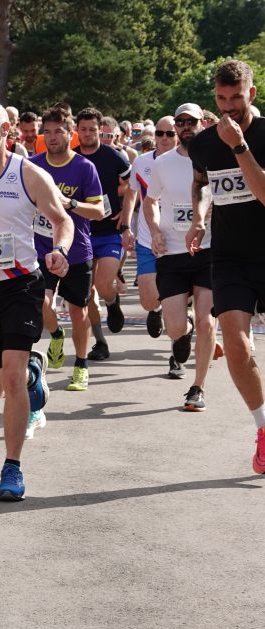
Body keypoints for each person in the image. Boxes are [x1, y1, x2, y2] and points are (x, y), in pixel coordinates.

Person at [0, 100, 73, 495]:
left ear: (7, 131)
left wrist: (61, 251)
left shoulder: (28, 174)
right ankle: (34, 372)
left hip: (21, 284)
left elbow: (62, 219)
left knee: (12, 373)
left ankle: (12, 468)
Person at [185, 60, 265, 471]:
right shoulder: (202, 143)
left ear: (251, 94)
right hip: (230, 256)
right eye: (221, 98)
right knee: (235, 343)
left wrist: (239, 147)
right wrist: (199, 218)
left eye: (236, 98)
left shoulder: (263, 134)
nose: (229, 106)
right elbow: (202, 184)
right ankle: (264, 429)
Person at [142, 103, 217, 407]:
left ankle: (198, 387)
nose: (186, 126)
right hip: (172, 251)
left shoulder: (216, 157)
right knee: (174, 327)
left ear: (203, 123)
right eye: (180, 122)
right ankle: (181, 333)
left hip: (209, 249)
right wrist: (156, 230)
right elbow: (150, 201)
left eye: (191, 121)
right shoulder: (163, 163)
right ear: (175, 127)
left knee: (207, 321)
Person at [30, 105, 106, 392]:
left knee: (79, 311)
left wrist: (70, 203)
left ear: (70, 134)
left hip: (77, 251)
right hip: (41, 249)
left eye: (58, 132)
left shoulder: (85, 167)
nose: (52, 137)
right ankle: (56, 334)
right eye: (47, 132)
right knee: (42, 302)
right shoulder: (33, 165)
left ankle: (81, 365)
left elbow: (99, 212)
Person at [76, 107, 131, 361]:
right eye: (83, 129)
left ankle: (112, 302)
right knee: (87, 293)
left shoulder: (114, 157)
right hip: (82, 233)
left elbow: (133, 186)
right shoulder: (71, 158)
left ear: (101, 130)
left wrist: (126, 214)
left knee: (103, 284)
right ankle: (100, 342)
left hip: (109, 230)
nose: (87, 134)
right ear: (77, 130)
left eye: (92, 130)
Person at [119, 115, 178, 352]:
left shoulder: (189, 161)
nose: (164, 139)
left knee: (180, 302)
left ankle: (177, 349)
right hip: (146, 239)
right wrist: (125, 227)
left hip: (179, 242)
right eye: (160, 134)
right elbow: (131, 194)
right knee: (148, 299)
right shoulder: (142, 162)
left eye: (169, 134)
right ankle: (156, 310)